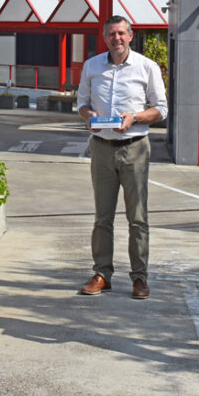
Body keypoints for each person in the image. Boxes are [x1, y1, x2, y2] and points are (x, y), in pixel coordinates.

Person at [76, 16, 167, 300]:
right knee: (102, 217)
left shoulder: (146, 67)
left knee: (137, 217)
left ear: (130, 35)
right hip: (101, 147)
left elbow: (161, 109)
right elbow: (82, 103)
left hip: (135, 147)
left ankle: (140, 277)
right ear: (105, 37)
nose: (116, 38)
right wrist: (88, 116)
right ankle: (102, 273)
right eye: (111, 34)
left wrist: (136, 117)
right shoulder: (92, 66)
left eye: (121, 33)